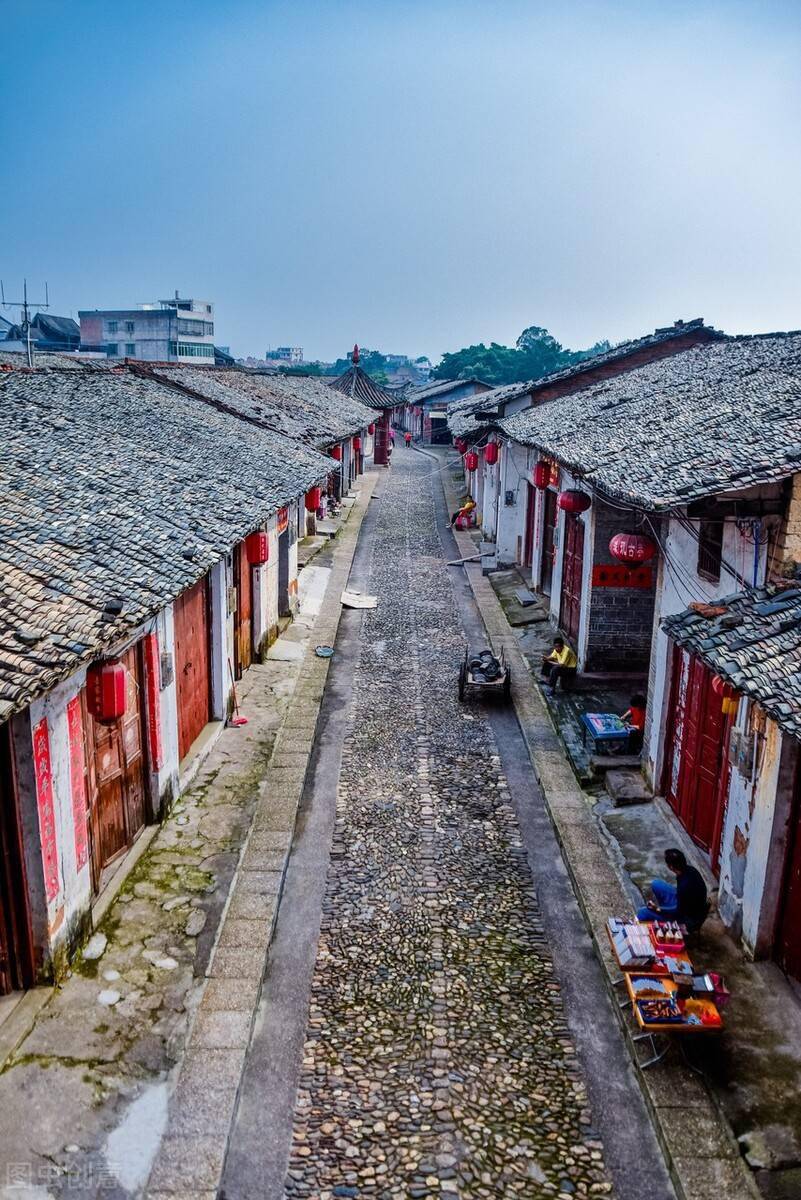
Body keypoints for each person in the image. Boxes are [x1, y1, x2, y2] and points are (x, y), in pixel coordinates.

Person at [637, 848, 709, 931]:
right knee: (656, 884)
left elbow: (678, 912)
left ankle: (663, 915)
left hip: (685, 918)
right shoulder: (691, 870)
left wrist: (657, 909)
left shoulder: (684, 887)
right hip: (686, 904)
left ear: (671, 867)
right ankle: (664, 909)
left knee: (642, 912)